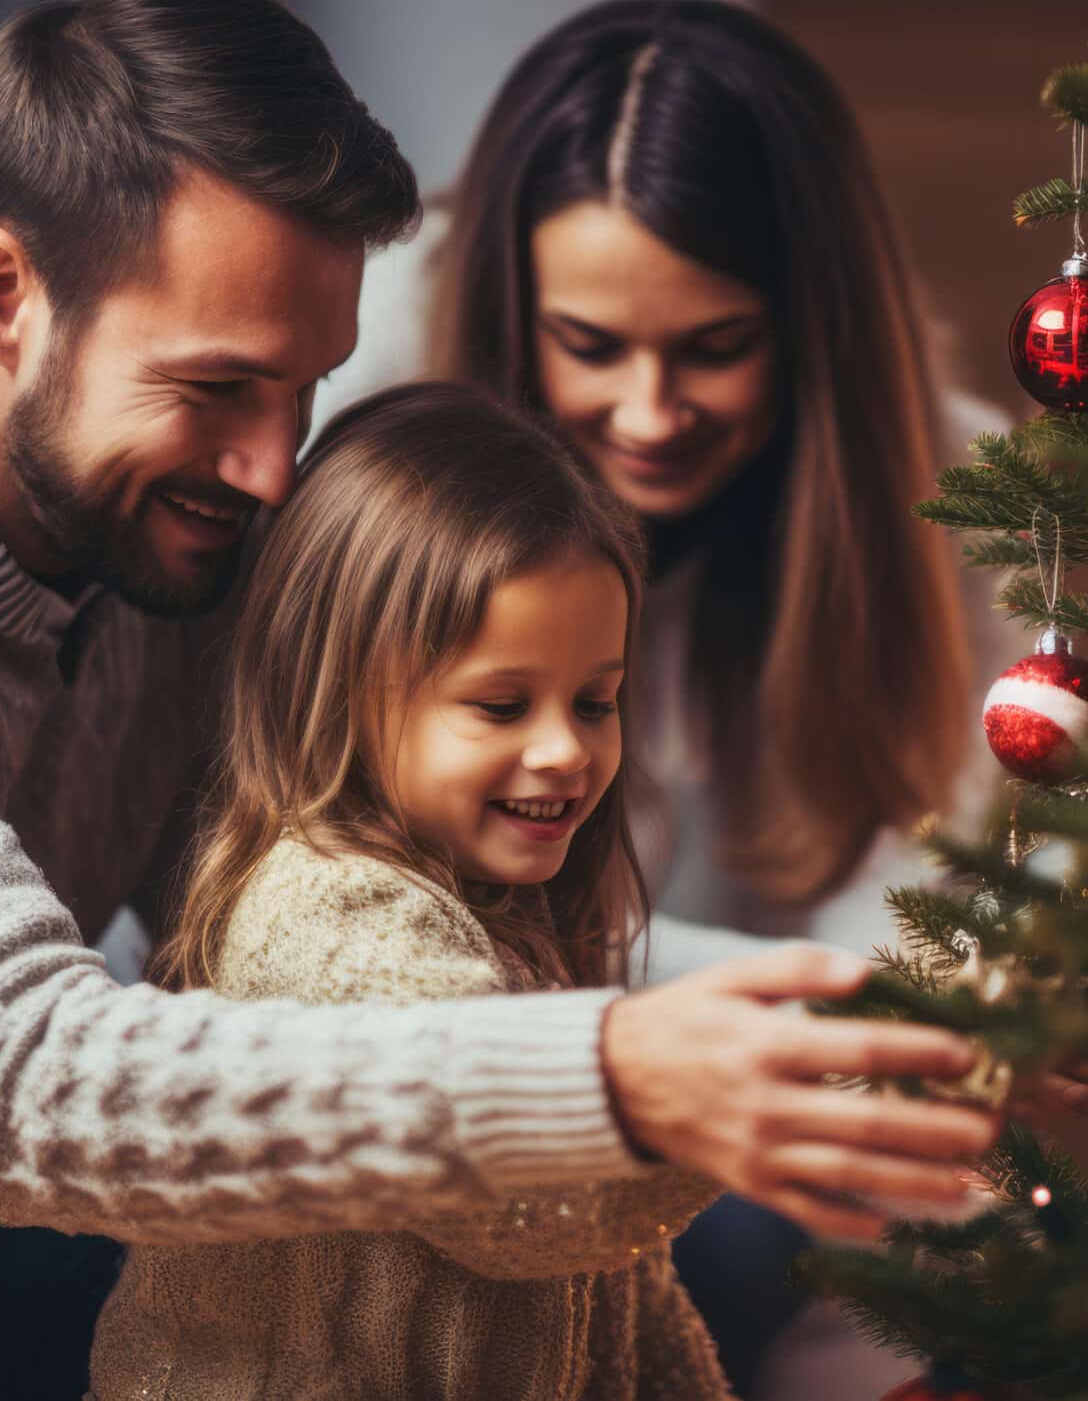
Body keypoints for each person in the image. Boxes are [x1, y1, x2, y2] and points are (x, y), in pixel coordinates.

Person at [0, 0, 1001, 1398]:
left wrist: (869, 1018)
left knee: (630, 1252)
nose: (269, 466)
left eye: (303, 390)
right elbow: (21, 1080)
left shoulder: (163, 504)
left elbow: (360, 891)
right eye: (218, 389)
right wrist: (603, 1070)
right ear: (3, 294)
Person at [309, 0, 1022, 1394]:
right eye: (590, 345)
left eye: (713, 347)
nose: (647, 412)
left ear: (811, 325)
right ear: (511, 309)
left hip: (779, 1136)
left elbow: (928, 957)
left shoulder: (954, 496)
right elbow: (332, 908)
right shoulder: (367, 395)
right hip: (441, 1090)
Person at [91, 381, 742, 1400]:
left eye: (597, 700)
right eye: (500, 704)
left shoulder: (512, 915)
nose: (566, 748)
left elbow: (625, 1302)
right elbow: (534, 1199)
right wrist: (746, 1092)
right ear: (343, 693)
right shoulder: (326, 920)